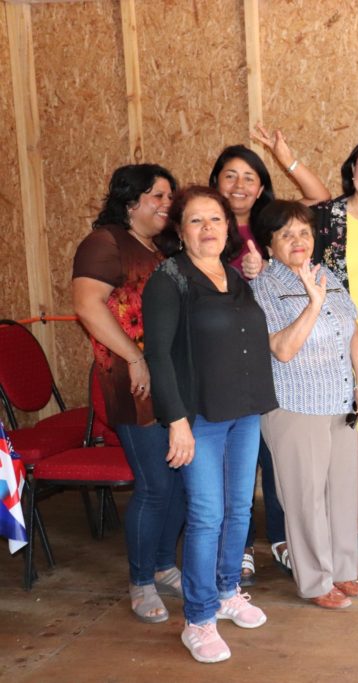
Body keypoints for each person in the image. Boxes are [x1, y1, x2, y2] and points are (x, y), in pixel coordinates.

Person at [248, 135, 358, 568]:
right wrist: (287, 158)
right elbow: (291, 227)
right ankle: (318, 547)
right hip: (320, 340)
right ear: (352, 169)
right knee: (321, 447)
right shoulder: (328, 217)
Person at [143, 186, 278, 664]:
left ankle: (226, 591)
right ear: (180, 231)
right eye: (196, 221)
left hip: (244, 410)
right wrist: (176, 421)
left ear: (228, 227)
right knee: (206, 515)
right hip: (198, 416)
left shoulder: (235, 276)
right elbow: (158, 356)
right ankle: (198, 619)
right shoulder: (169, 279)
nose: (208, 229)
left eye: (216, 219)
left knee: (239, 509)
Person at [209, 128, 331, 584]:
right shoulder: (205, 223)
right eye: (230, 176)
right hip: (223, 358)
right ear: (216, 182)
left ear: (262, 186)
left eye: (250, 177)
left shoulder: (270, 224)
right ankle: (240, 544)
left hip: (273, 359)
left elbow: (320, 201)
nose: (239, 185)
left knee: (273, 454)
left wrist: (286, 157)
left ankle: (280, 537)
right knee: (234, 457)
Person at [72, 164, 185, 623]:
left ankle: (163, 565)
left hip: (168, 380)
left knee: (177, 483)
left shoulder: (157, 249)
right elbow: (87, 305)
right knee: (155, 485)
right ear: (131, 201)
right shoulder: (106, 242)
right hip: (132, 383)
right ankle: (141, 580)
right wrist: (135, 358)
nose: (167, 204)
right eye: (158, 195)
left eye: (170, 196)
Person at [250, 200, 358, 611]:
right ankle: (315, 580)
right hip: (295, 406)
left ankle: (343, 569)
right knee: (305, 498)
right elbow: (282, 349)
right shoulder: (263, 286)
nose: (298, 241)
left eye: (303, 232)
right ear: (269, 245)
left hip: (340, 402)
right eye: (286, 234)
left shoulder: (327, 275)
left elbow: (352, 332)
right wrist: (312, 303)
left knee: (341, 491)